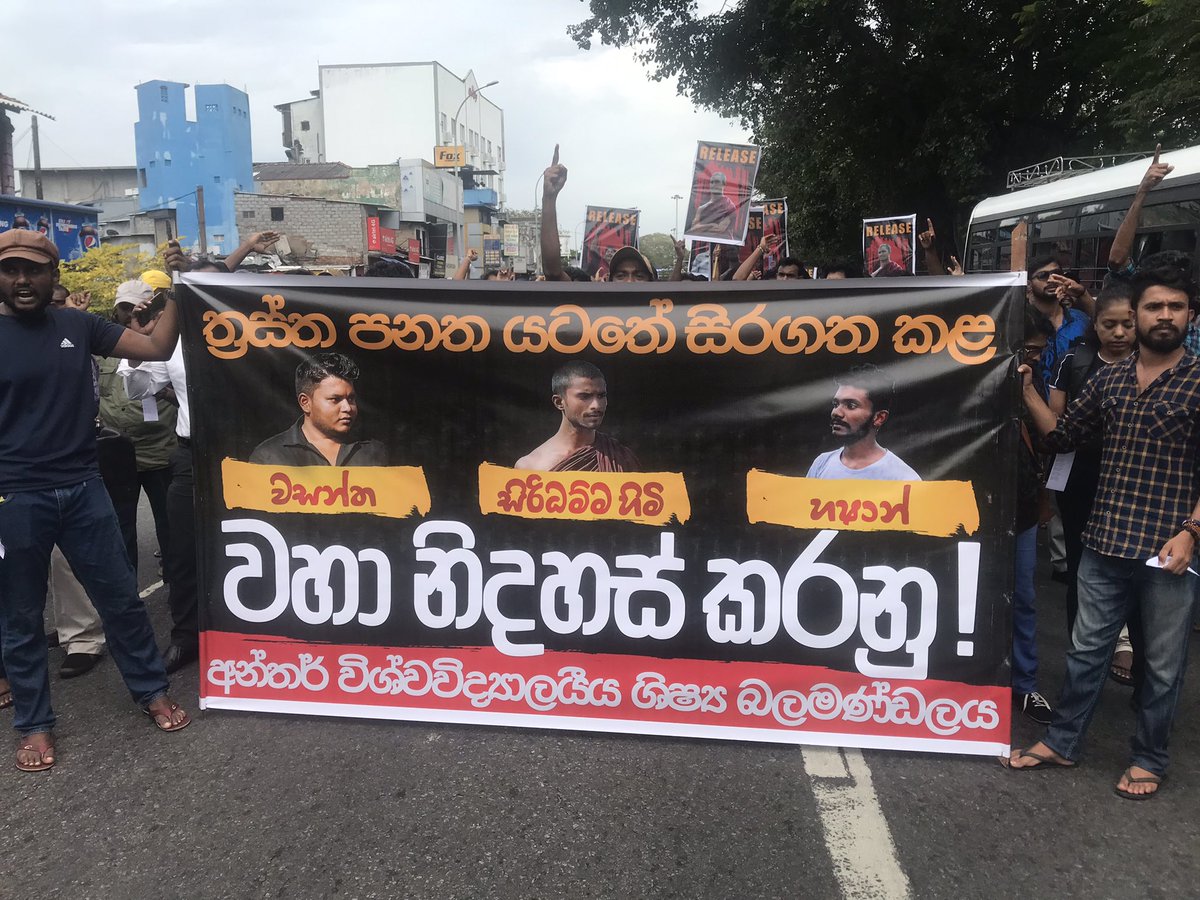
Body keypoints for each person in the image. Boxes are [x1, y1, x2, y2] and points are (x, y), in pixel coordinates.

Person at [0, 229, 190, 773]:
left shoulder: (77, 325)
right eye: (10, 270)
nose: (22, 280)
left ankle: (151, 691)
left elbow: (156, 348)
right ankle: (34, 724)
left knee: (122, 600)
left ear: (53, 275)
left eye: (34, 270)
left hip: (84, 488)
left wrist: (179, 287)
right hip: (15, 497)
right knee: (20, 617)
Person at [1007, 265, 1200, 800]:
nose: (1165, 316)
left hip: (1170, 550)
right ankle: (1062, 742)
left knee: (1162, 665)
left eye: (1176, 307)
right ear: (1136, 315)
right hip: (1105, 541)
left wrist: (1191, 531)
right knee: (1085, 653)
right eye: (1154, 307)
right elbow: (1062, 435)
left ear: (1191, 316)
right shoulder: (1109, 380)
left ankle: (1149, 758)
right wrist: (1027, 390)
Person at [117, 243, 225, 675]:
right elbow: (139, 389)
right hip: (191, 457)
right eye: (200, 288)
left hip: (247, 456)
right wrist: (140, 338)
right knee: (182, 551)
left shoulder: (261, 333)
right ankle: (186, 635)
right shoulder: (175, 338)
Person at [1047, 284, 1137, 672]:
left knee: (1131, 567)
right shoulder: (1074, 360)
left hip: (1133, 481)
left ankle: (1127, 642)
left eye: (1127, 325)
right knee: (1082, 565)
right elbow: (1058, 422)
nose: (1119, 333)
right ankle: (1082, 651)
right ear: (1094, 325)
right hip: (1080, 476)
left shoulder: (1153, 363)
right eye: (1109, 325)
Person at [1010, 307, 1057, 725]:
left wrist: (1027, 392)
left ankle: (1024, 684)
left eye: (1040, 351)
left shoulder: (1033, 379)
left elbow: (1050, 436)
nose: (1036, 358)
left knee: (1023, 597)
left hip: (1021, 506)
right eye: (1029, 349)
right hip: (969, 505)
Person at [250, 353, 386, 466]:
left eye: (351, 399)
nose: (347, 408)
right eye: (335, 399)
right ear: (305, 403)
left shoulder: (374, 451)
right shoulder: (269, 456)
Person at [515, 360, 640, 472]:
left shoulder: (621, 457)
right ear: (559, 402)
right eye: (585, 396)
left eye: (601, 396)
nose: (596, 405)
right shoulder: (532, 466)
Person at [806, 364, 920, 480]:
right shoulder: (821, 464)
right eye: (836, 404)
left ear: (879, 418)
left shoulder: (903, 477)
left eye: (851, 405)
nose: (836, 412)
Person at [688, 171, 738, 239]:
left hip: (724, 243)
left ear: (723, 185)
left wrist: (701, 227)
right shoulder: (701, 208)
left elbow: (720, 229)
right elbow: (693, 229)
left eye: (717, 182)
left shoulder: (728, 205)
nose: (713, 185)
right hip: (705, 242)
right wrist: (711, 225)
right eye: (711, 182)